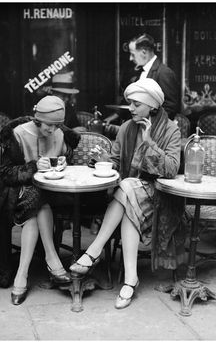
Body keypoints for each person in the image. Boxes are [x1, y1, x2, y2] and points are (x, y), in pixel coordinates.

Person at [70, 78, 184, 310]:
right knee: (128, 192)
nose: (130, 108)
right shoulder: (126, 128)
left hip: (160, 195)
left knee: (126, 188)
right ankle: (130, 279)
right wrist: (104, 159)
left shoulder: (171, 130)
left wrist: (150, 141)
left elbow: (172, 169)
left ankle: (94, 250)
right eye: (129, 103)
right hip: (131, 193)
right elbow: (115, 161)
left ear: (152, 105)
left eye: (135, 104)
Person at [0, 95, 81, 305]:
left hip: (51, 192)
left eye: (57, 126)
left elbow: (63, 159)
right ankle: (51, 260)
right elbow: (6, 173)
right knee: (37, 206)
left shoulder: (59, 133)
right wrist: (33, 167)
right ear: (37, 120)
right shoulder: (17, 134)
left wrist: (63, 161)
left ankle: (22, 276)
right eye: (48, 125)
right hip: (16, 192)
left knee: (39, 202)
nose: (52, 131)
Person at [104, 33, 180, 127]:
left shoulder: (164, 73)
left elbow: (170, 108)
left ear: (144, 52)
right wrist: (116, 115)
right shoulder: (137, 72)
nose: (130, 58)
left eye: (132, 54)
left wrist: (149, 125)